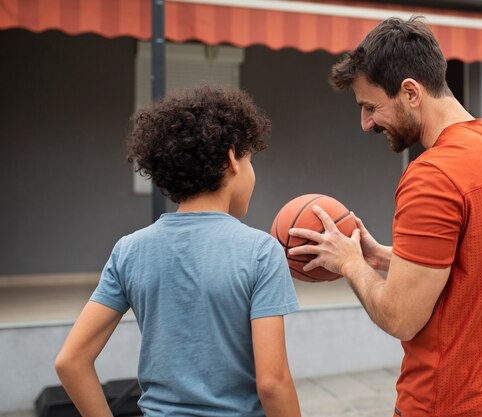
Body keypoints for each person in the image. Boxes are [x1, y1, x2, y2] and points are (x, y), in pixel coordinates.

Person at [288, 16, 482, 417]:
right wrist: (385, 258)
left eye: (371, 106)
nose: (366, 123)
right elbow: (479, 263)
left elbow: (401, 317)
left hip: (448, 404)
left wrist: (351, 263)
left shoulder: (432, 175)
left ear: (410, 91)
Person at [55, 86, 302, 417]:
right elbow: (272, 383)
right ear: (232, 159)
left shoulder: (129, 250)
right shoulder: (261, 251)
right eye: (250, 160)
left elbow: (70, 361)